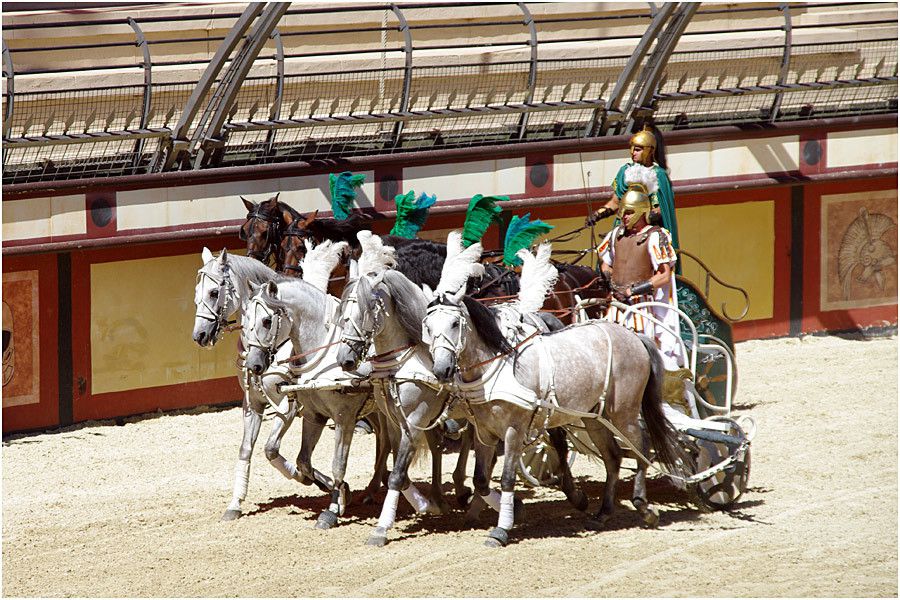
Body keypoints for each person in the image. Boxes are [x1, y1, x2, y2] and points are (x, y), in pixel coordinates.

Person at [596, 164, 683, 372]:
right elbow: (605, 261)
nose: (623, 217)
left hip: (643, 308)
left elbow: (664, 275)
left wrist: (631, 291)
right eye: (623, 212)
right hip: (617, 305)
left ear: (641, 212)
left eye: (628, 213)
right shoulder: (616, 234)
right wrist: (610, 280)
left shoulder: (655, 236)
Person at [586, 124, 680, 257]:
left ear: (650, 151)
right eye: (631, 149)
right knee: (605, 253)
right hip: (623, 225)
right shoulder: (624, 171)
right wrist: (598, 214)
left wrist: (642, 217)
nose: (632, 152)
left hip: (646, 227)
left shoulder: (658, 175)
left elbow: (660, 209)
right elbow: (615, 202)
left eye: (637, 149)